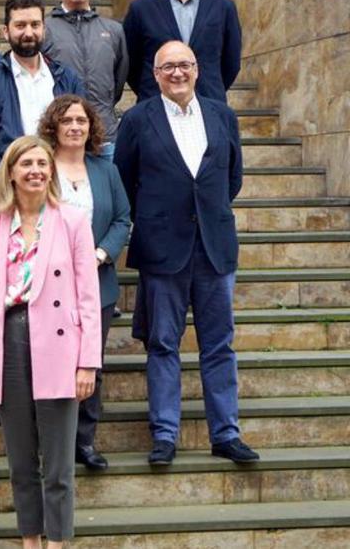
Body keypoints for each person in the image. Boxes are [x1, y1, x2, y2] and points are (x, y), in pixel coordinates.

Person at [114, 41, 257, 466]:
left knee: (219, 345)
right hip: (163, 250)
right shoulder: (138, 120)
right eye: (168, 66)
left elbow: (232, 178)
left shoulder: (221, 115)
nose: (177, 73)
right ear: (155, 74)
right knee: (162, 344)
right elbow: (124, 181)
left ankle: (226, 433)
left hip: (214, 247)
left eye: (185, 65)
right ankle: (164, 434)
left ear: (197, 70)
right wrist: (158, 221)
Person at [0, 135, 102, 549]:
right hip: (9, 341)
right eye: (26, 163)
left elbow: (88, 296)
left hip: (59, 345)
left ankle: (58, 542)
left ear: (51, 171)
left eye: (42, 163)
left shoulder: (72, 220)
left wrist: (88, 363)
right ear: (10, 171)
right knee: (20, 459)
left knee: (59, 463)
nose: (35, 170)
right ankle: (30, 540)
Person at [37, 95, 131, 471]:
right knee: (50, 363)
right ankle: (50, 443)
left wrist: (101, 254)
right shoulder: (41, 168)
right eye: (67, 121)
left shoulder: (105, 169)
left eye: (81, 120)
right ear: (54, 127)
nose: (75, 127)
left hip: (98, 282)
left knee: (91, 362)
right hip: (49, 285)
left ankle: (84, 442)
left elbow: (123, 218)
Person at [0, 0, 85, 187]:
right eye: (20, 26)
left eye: (35, 25)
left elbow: (81, 131)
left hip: (59, 183)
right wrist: (6, 182)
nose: (28, 33)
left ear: (44, 29)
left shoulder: (66, 77)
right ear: (6, 31)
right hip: (12, 186)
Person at [42, 0, 128, 161]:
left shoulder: (114, 30)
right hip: (60, 138)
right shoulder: (44, 29)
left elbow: (118, 80)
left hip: (105, 137)